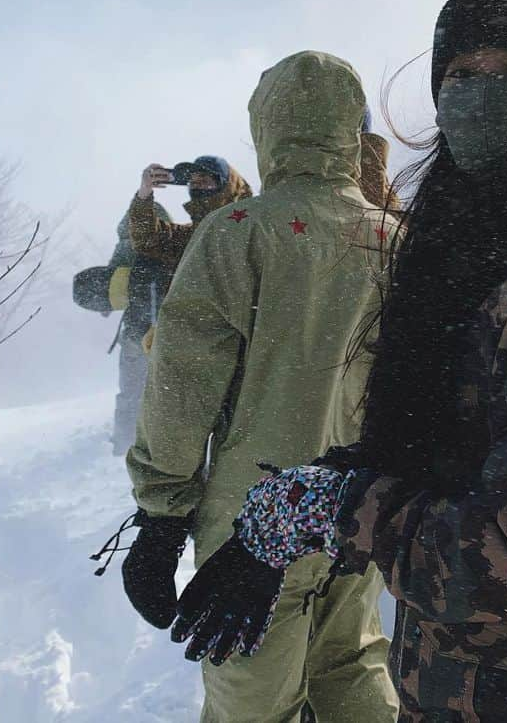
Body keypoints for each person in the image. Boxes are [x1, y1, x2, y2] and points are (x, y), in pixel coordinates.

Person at [171, 0, 507, 722]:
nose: (484, 89)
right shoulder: (454, 252)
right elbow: (436, 456)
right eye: (465, 70)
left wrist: (329, 508)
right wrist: (305, 497)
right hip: (446, 671)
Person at [123, 51, 400, 722]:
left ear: (268, 129)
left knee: (253, 698)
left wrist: (161, 517)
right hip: (352, 508)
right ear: (350, 128)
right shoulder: (395, 237)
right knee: (351, 665)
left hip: (250, 525)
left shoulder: (237, 234)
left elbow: (183, 391)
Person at [73, 202, 174, 457]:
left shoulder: (126, 245)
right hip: (166, 332)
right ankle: (161, 445)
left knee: (132, 392)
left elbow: (109, 285)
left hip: (135, 332)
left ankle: (126, 444)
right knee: (167, 393)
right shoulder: (172, 244)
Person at [129, 156, 252, 269]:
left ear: (226, 186)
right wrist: (144, 191)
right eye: (193, 182)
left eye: (204, 180)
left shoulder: (252, 227)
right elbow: (146, 240)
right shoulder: (193, 237)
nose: (197, 186)